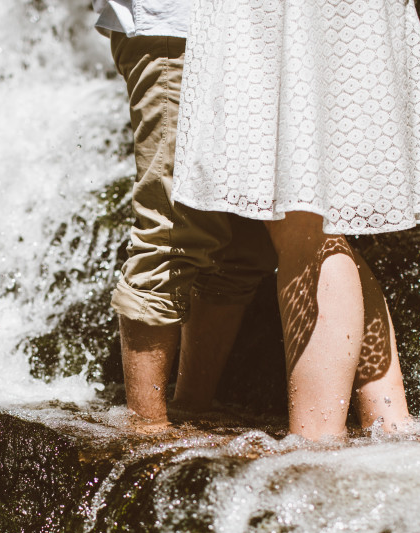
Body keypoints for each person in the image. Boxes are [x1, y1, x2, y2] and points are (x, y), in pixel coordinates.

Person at [172, 0, 420, 440]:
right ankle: (389, 420)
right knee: (314, 222)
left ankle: (316, 446)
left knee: (300, 224)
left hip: (282, 15)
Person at [93, 0, 279, 430]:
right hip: (177, 29)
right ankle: (147, 433)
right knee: (173, 230)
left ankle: (191, 410)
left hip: (259, 34)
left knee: (245, 241)